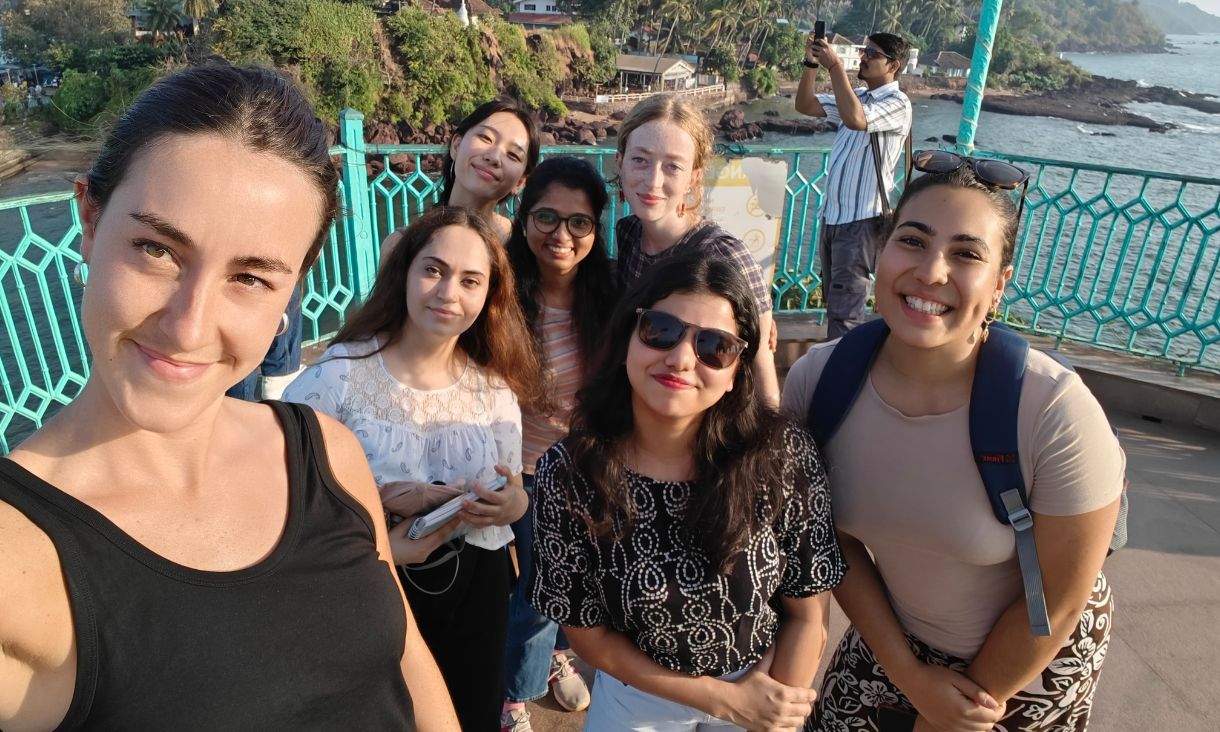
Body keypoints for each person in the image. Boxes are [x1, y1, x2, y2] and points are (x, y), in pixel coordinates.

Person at [0, 64, 458, 731]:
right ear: (89, 221)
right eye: (156, 249)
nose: (189, 326)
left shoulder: (323, 450)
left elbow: (408, 659)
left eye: (250, 277)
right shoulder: (20, 555)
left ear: (291, 293)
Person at [781, 161, 1125, 731]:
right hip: (898, 637)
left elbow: (1059, 605)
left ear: (999, 286)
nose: (931, 271)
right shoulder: (819, 382)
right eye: (912, 240)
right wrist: (911, 677)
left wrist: (947, 714)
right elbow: (826, 539)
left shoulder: (1053, 410)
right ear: (881, 250)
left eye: (966, 254)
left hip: (1033, 654)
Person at [530, 252, 847, 731]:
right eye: (661, 330)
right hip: (637, 694)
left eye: (714, 346)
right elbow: (587, 635)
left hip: (763, 684)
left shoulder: (781, 455)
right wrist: (719, 699)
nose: (680, 358)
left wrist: (774, 711)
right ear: (627, 340)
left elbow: (808, 611)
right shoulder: (570, 472)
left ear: (737, 371)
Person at [283, 205, 542, 731]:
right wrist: (387, 545)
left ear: (489, 297)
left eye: (471, 281)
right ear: (403, 271)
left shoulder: (491, 389)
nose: (449, 293)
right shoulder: (336, 382)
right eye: (433, 270)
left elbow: (515, 493)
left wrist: (510, 503)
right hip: (370, 586)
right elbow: (291, 514)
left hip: (477, 589)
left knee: (471, 712)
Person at [499, 156, 619, 732]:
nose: (563, 235)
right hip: (521, 467)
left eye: (580, 223)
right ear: (523, 221)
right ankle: (515, 692)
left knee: (581, 575)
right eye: (547, 217)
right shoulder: (498, 292)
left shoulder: (613, 292)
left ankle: (553, 656)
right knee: (539, 583)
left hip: (590, 466)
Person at [613, 94, 781, 404]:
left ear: (694, 177)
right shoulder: (629, 236)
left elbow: (762, 372)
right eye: (640, 159)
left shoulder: (724, 255)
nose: (653, 181)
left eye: (673, 167)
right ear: (619, 161)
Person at [795, 32, 912, 339]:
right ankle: (836, 365)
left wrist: (835, 67)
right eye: (864, 50)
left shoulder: (897, 103)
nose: (863, 57)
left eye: (872, 54)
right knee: (835, 303)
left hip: (861, 221)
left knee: (846, 312)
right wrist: (811, 63)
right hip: (832, 217)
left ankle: (840, 378)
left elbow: (857, 120)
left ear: (893, 65)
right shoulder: (858, 95)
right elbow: (805, 105)